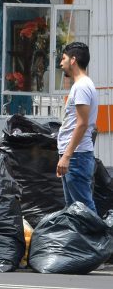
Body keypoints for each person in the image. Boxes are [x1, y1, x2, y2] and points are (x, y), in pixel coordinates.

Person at [56, 41, 99, 214]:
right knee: (73, 211)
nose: (61, 63)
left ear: (73, 60)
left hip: (77, 157)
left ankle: (100, 241)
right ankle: (82, 241)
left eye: (63, 58)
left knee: (84, 210)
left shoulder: (81, 86)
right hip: (75, 156)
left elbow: (82, 124)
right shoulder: (80, 85)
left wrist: (66, 156)